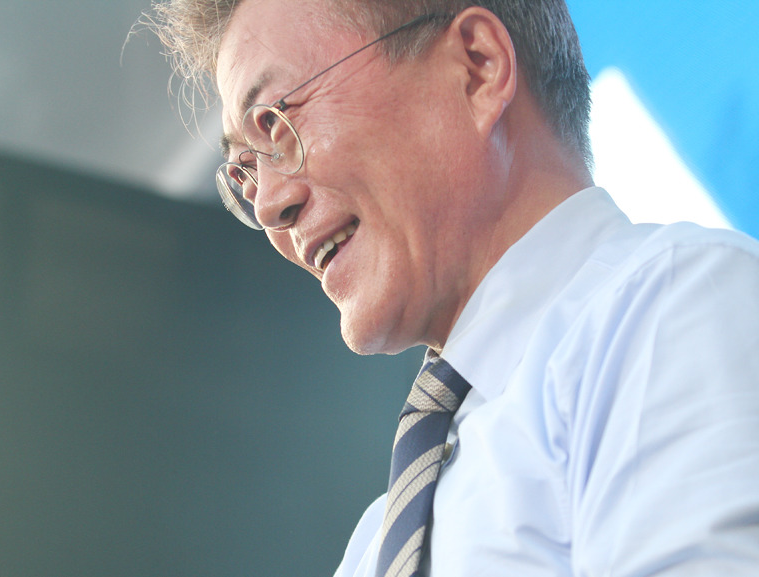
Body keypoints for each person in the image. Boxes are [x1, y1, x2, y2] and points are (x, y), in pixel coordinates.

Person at [146, 0, 759, 575]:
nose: (269, 207)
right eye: (246, 171)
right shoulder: (372, 544)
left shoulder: (677, 309)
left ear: (477, 68)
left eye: (277, 122)